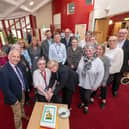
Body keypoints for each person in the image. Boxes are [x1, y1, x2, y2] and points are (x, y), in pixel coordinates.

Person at [0, 49, 29, 129]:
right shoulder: (3, 71)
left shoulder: (20, 65)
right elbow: (5, 89)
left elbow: (23, 77)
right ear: (9, 57)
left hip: (22, 92)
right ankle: (19, 127)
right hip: (13, 97)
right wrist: (14, 100)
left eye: (18, 57)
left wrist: (26, 88)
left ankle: (23, 115)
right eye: (14, 56)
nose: (16, 59)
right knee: (17, 115)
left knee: (22, 106)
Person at [77, 44, 104, 114]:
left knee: (86, 97)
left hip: (90, 83)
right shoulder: (82, 59)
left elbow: (100, 75)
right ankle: (83, 102)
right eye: (86, 51)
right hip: (81, 81)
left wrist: (96, 85)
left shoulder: (98, 62)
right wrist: (77, 77)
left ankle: (86, 105)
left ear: (94, 51)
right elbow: (78, 69)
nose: (88, 52)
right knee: (81, 94)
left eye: (90, 50)